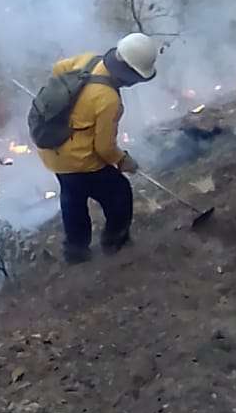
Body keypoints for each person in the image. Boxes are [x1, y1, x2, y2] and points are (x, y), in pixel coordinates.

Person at [37, 33, 159, 264]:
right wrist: (123, 160)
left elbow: (58, 69)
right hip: (80, 161)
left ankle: (76, 252)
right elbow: (104, 148)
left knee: (73, 198)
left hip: (53, 150)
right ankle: (116, 243)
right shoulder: (108, 99)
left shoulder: (88, 60)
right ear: (129, 73)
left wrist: (65, 102)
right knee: (119, 192)